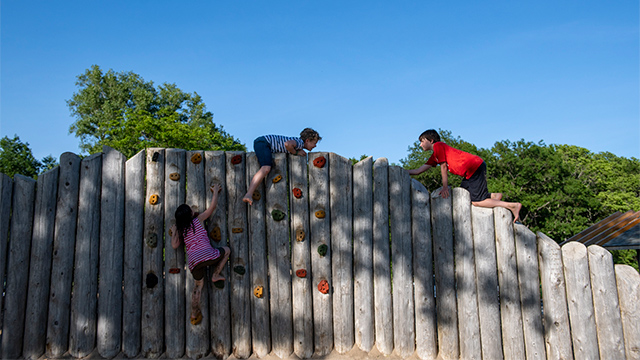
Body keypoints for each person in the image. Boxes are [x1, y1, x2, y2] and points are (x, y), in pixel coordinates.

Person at [407, 129, 522, 223]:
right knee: (464, 194)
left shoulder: (438, 146)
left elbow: (443, 167)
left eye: (422, 141)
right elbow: (418, 171)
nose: (420, 145)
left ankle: (512, 206)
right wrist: (402, 171)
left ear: (431, 140)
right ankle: (492, 196)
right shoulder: (434, 156)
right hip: (470, 172)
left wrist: (445, 187)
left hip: (474, 167)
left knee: (476, 201)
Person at [171, 184, 230, 325]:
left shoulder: (181, 230)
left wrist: (174, 231)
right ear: (190, 214)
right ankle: (216, 274)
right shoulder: (198, 220)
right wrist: (215, 192)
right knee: (227, 250)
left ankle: (194, 312)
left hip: (194, 262)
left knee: (198, 286)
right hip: (208, 255)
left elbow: (174, 245)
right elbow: (212, 207)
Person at [243, 128, 321, 205]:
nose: (315, 145)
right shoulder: (299, 142)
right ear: (307, 140)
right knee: (266, 168)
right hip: (263, 142)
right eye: (314, 143)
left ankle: (249, 193)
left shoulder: (298, 143)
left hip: (263, 142)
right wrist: (296, 152)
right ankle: (249, 194)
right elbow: (287, 144)